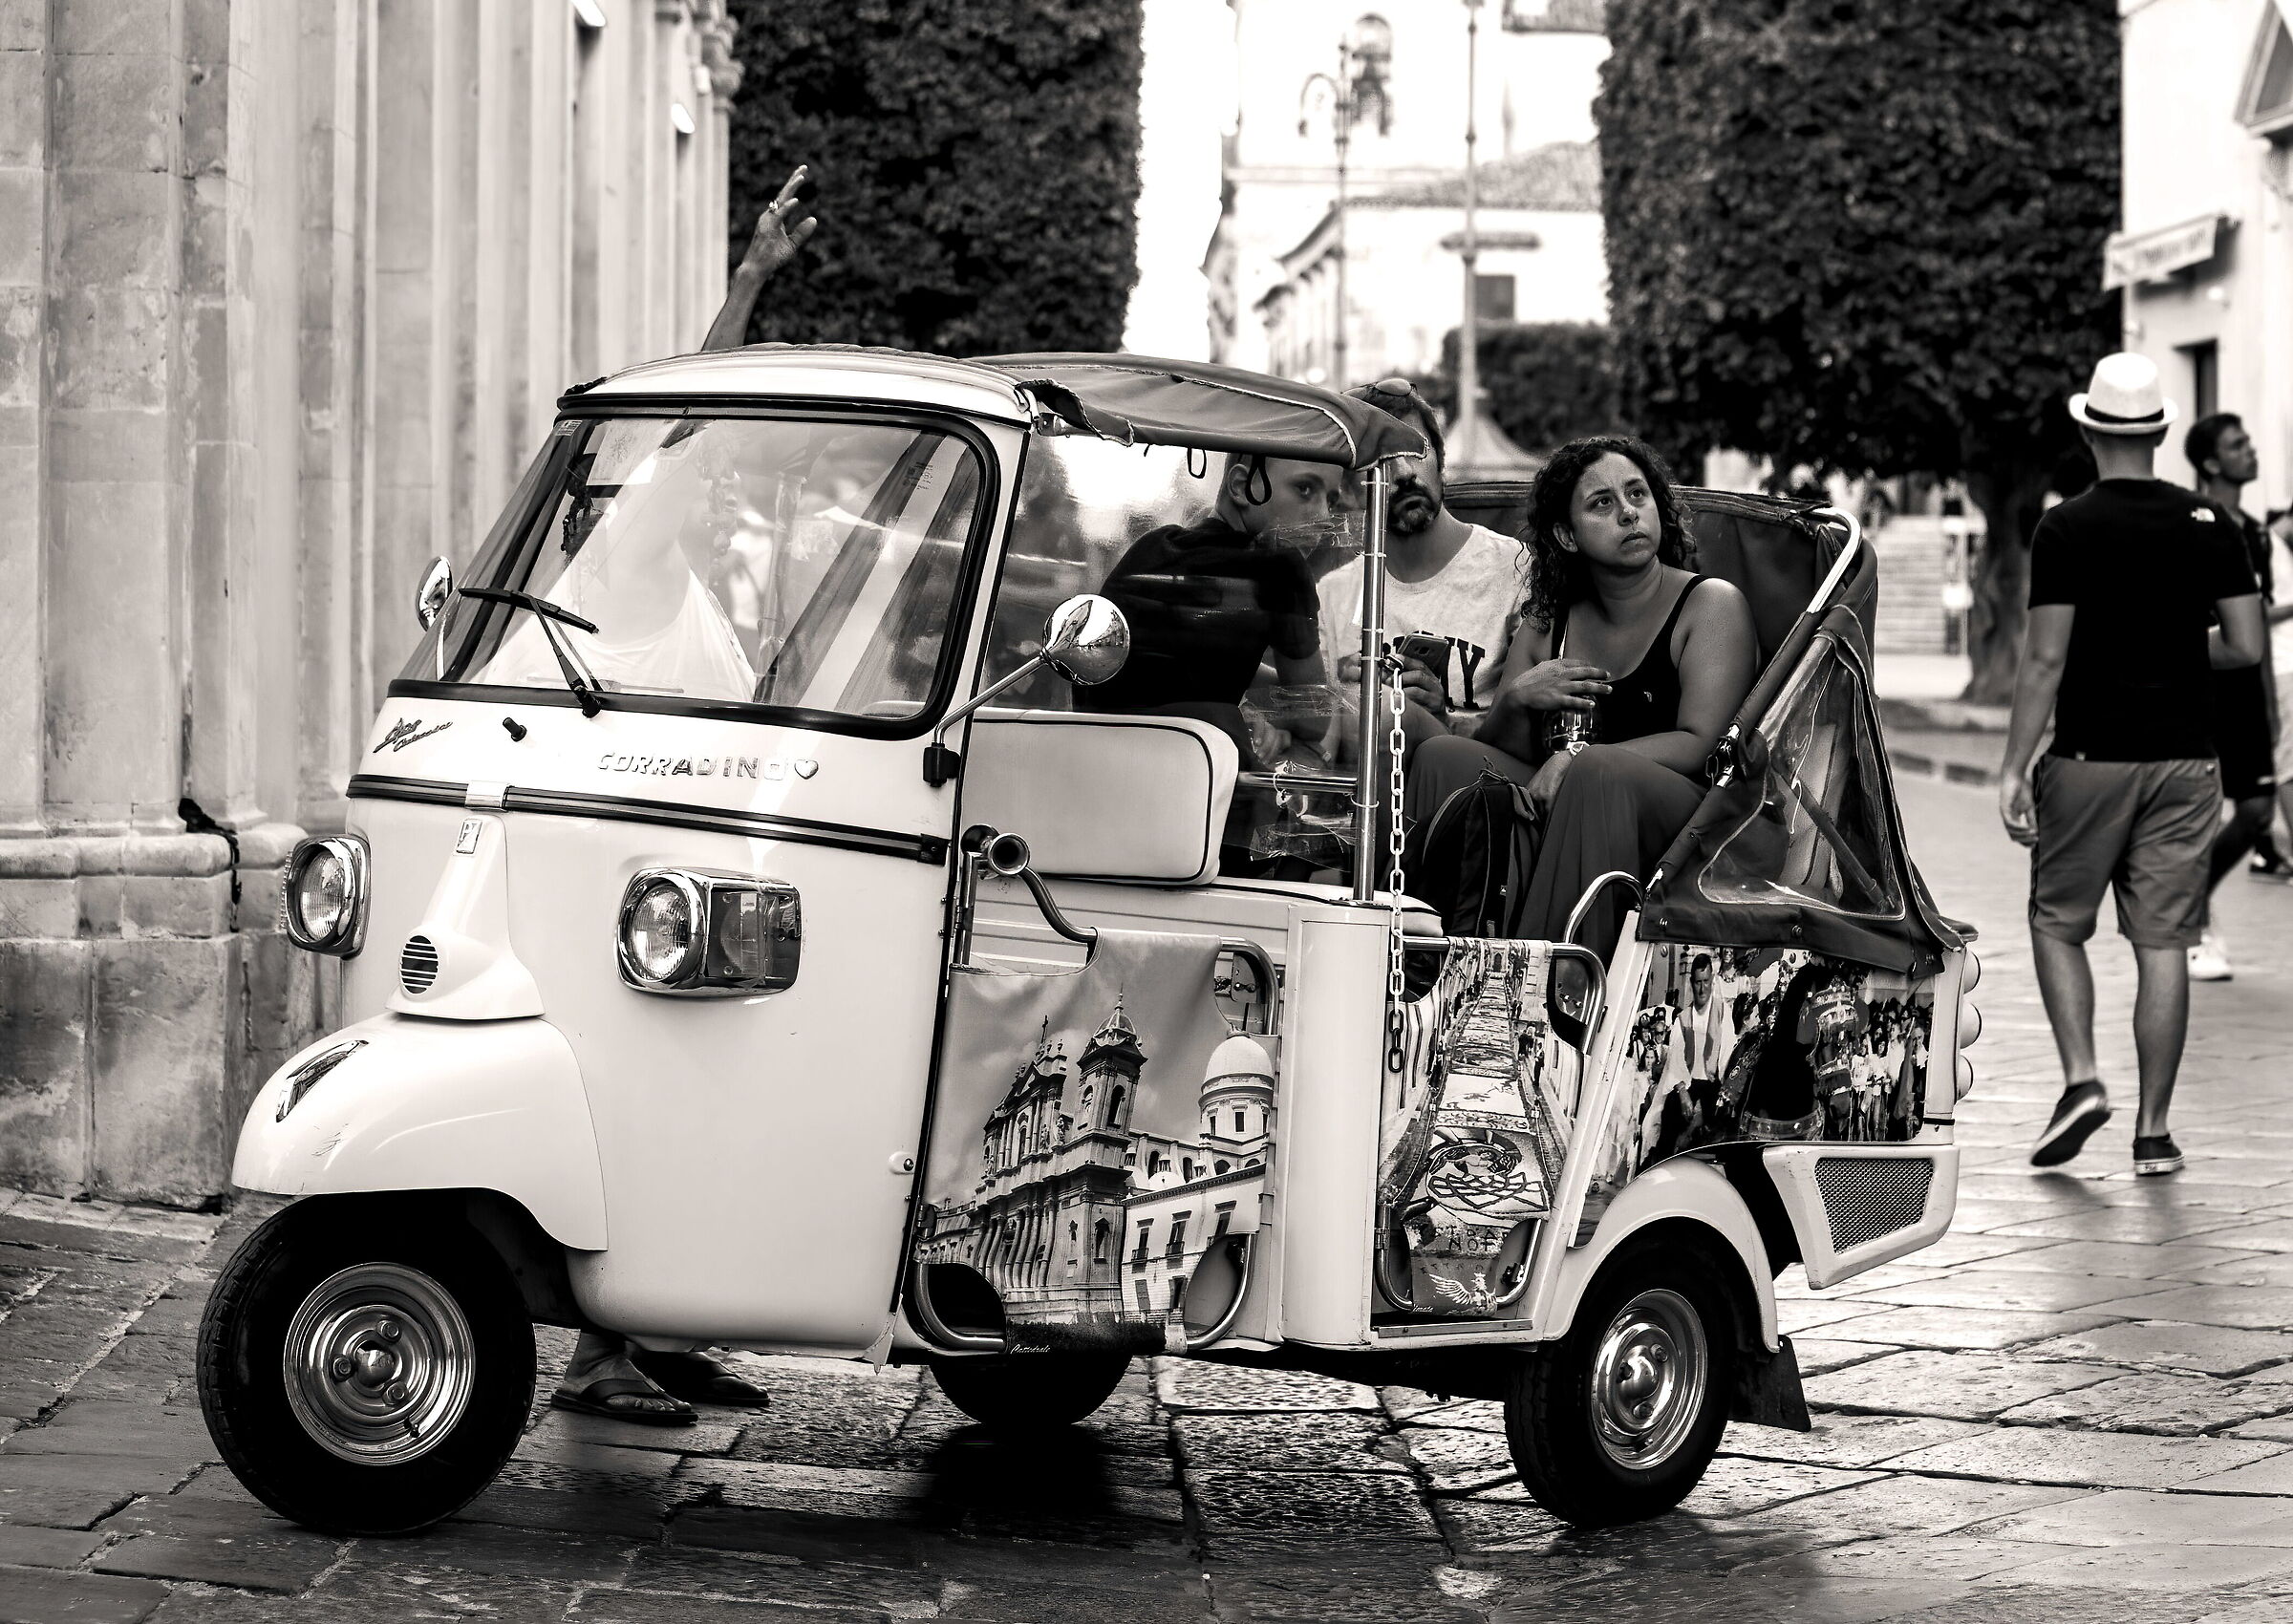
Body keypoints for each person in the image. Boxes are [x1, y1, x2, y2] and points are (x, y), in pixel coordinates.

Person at [550, 167, 820, 1427]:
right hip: (636, 911)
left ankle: (659, 1333)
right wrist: (753, 281)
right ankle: (600, 1358)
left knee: (717, 1118)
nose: (694, 495)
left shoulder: (698, 596)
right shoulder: (626, 578)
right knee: (639, 1124)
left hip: (704, 907)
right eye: (661, 497)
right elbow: (700, 425)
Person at [2001, 353, 2265, 1178]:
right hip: (2188, 760)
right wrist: (2178, 648)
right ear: (2158, 432)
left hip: (2090, 755)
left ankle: (2082, 1078)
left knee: (2056, 923)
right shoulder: (2212, 526)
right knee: (2163, 944)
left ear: (2089, 430)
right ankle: (2155, 1133)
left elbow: (2045, 660)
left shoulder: (2066, 527)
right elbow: (2247, 646)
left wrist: (2013, 767)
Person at [1404, 436, 1760, 958]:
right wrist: (1518, 698)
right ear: (1567, 537)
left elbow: (1701, 743)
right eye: (1602, 503)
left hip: (1685, 818)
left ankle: (1538, 995)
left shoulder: (1709, 604)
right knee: (1442, 757)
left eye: (1638, 496)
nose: (1628, 514)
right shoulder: (1550, 620)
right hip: (1570, 797)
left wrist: (1575, 759)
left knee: (1598, 775)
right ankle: (1415, 965)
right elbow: (1513, 751)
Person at [1077, 452, 1339, 760]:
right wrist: (1262, 712)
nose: (1324, 517)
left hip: (1099, 760)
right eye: (1305, 489)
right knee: (1306, 753)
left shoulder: (1152, 547)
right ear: (1240, 486)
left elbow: (1192, 666)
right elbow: (1313, 717)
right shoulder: (1280, 567)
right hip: (1190, 776)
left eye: (1332, 501)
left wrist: (1250, 707)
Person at [1317, 380, 1532, 750]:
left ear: (1441, 462)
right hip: (1374, 792)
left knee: (1384, 711)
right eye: (1380, 460)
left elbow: (1535, 724)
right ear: (1347, 492)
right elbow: (1315, 746)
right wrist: (1338, 697)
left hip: (1474, 786)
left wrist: (1443, 717)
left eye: (1416, 449)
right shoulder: (1332, 595)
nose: (1402, 473)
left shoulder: (1514, 568)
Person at [2182, 413, 2278, 977]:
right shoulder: (2191, 523)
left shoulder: (2258, 533)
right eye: (2238, 445)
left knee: (2258, 814)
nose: (2252, 450)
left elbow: (2257, 622)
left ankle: (2190, 898)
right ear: (2212, 462)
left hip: (2247, 690)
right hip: (2199, 687)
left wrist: (2268, 701)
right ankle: (2194, 925)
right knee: (2197, 812)